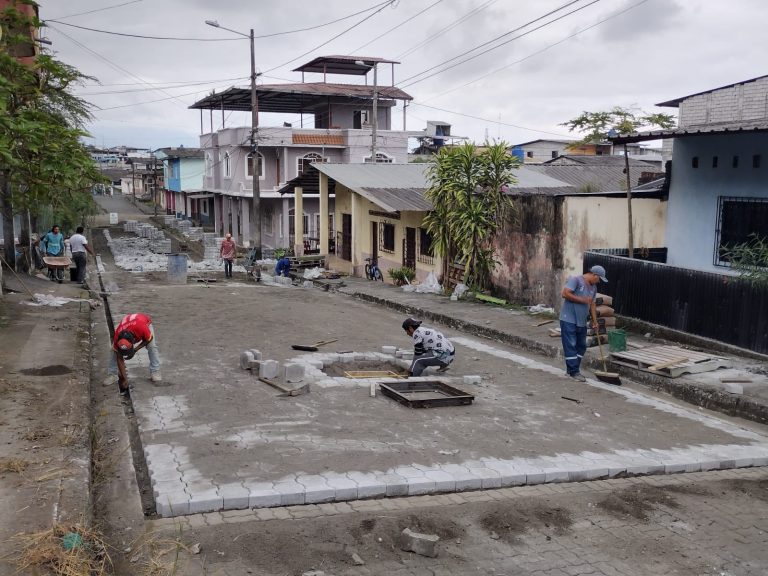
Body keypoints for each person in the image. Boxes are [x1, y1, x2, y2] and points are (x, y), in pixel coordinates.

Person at [559, 265, 608, 382]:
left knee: (581, 346)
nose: (598, 281)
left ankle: (571, 370)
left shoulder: (593, 288)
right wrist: (583, 300)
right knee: (570, 345)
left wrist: (594, 321)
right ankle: (574, 372)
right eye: (599, 279)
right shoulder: (575, 280)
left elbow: (592, 304)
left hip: (581, 321)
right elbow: (565, 294)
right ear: (594, 275)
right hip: (568, 319)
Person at [107, 313, 161, 395]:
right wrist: (125, 379)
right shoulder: (117, 335)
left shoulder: (142, 328)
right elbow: (119, 357)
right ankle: (113, 374)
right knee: (113, 350)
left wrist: (135, 350)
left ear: (133, 341)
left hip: (143, 321)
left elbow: (148, 339)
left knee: (152, 347)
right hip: (128, 323)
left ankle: (155, 371)